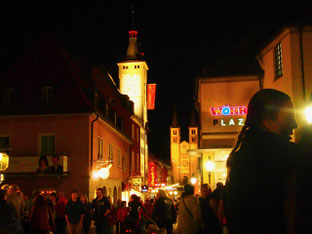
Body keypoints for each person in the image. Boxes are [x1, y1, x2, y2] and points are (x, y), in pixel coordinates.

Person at [224, 89, 298, 234]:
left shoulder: (237, 156)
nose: (294, 125)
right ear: (267, 121)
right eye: (289, 117)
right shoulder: (284, 153)